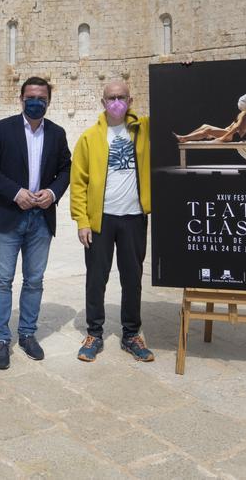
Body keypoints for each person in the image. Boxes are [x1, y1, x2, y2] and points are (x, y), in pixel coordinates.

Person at [0, 76, 71, 370]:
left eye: (41, 98)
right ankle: (1, 339)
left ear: (48, 101)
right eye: (30, 97)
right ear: (21, 99)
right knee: (2, 280)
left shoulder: (57, 133)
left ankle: (28, 334)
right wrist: (15, 192)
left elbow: (66, 169)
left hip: (40, 218)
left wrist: (54, 192)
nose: (35, 102)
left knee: (34, 281)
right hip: (8, 216)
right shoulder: (3, 129)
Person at [69, 79, 154, 362]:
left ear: (130, 100)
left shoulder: (143, 128)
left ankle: (131, 334)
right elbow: (78, 181)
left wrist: (184, 73)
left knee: (133, 278)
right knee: (96, 279)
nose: (116, 102)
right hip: (100, 220)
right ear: (103, 102)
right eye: (111, 98)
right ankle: (94, 332)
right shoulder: (89, 137)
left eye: (122, 97)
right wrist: (82, 220)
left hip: (133, 217)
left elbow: (173, 111)